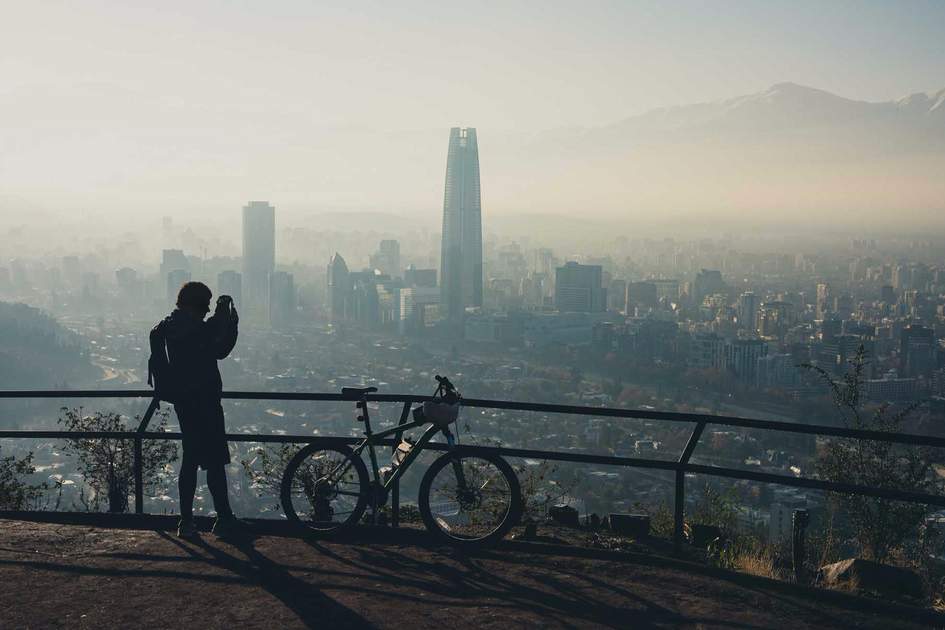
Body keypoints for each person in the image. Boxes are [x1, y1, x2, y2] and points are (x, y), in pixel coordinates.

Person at [152, 281, 243, 538]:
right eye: (204, 305)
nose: (206, 310)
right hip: (204, 399)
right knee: (214, 460)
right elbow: (219, 348)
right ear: (195, 304)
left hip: (184, 401)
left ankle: (187, 521)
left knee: (190, 460)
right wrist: (229, 319)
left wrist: (223, 318)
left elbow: (211, 338)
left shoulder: (171, 325)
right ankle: (223, 519)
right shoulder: (194, 329)